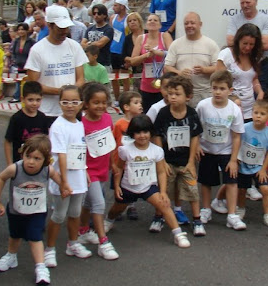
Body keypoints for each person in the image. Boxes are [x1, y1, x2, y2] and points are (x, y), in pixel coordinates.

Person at [0, 135, 70, 286]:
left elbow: (57, 177)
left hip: (37, 211)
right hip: (16, 210)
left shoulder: (47, 170)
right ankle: (11, 256)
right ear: (22, 154)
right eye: (28, 156)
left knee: (35, 237)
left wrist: (63, 187)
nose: (31, 161)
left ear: (46, 160)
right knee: (15, 235)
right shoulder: (15, 168)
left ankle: (40, 267)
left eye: (37, 158)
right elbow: (1, 178)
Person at [104, 115, 192, 248]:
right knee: (117, 208)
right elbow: (120, 168)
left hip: (148, 186)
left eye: (145, 132)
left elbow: (161, 172)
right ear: (132, 134)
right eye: (138, 132)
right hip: (128, 186)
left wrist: (163, 191)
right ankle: (108, 221)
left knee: (164, 205)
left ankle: (178, 234)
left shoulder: (156, 150)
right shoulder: (125, 150)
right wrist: (117, 186)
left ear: (151, 132)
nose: (142, 136)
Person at [44, 85, 91, 267]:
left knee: (75, 212)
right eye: (65, 102)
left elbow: (80, 150)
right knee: (59, 214)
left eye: (74, 102)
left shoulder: (79, 124)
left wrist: (85, 170)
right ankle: (49, 249)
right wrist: (63, 182)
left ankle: (73, 243)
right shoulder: (58, 126)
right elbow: (61, 155)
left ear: (81, 104)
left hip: (78, 176)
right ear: (59, 103)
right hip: (63, 178)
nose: (70, 106)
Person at [153, 76, 205, 236]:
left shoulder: (191, 114)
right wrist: (161, 161)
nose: (172, 97)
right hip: (167, 160)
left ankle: (197, 220)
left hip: (186, 161)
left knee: (192, 190)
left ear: (188, 96)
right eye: (170, 94)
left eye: (177, 94)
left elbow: (195, 136)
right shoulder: (163, 113)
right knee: (164, 190)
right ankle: (159, 217)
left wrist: (191, 162)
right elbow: (156, 135)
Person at [77, 83, 119, 260]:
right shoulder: (81, 124)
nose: (101, 106)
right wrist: (83, 170)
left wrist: (113, 164)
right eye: (96, 102)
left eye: (103, 102)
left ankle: (82, 231)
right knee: (99, 204)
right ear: (86, 104)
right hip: (88, 171)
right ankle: (104, 242)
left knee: (89, 203)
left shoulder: (107, 119)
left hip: (103, 168)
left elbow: (109, 143)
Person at [25, 4, 87, 119]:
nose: (65, 31)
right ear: (50, 25)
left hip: (73, 111)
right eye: (60, 28)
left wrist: (69, 95)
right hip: (48, 112)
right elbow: (34, 85)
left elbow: (81, 78)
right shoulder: (37, 50)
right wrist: (60, 92)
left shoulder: (74, 46)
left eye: (66, 28)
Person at [236, 100, 268, 228]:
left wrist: (263, 169)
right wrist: (236, 157)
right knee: (242, 189)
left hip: (258, 167)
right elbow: (237, 142)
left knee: (265, 189)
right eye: (256, 113)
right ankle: (241, 208)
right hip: (243, 165)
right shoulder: (245, 128)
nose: (258, 116)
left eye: (262, 114)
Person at [165, 12, 219, 108]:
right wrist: (179, 73)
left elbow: (219, 68)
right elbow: (167, 67)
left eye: (192, 23)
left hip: (204, 93)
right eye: (186, 23)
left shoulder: (211, 44)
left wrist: (204, 70)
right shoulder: (176, 44)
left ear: (200, 24)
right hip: (181, 94)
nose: (189, 26)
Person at [226, 0, 268, 91]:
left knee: (263, 96)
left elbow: (266, 44)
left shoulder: (266, 19)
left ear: (256, 2)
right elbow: (229, 41)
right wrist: (257, 41)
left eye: (248, 2)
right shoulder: (234, 19)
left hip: (261, 65)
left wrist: (241, 41)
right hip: (240, 65)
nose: (245, 5)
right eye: (242, 3)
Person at [216, 23, 264, 120]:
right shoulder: (226, 55)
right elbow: (219, 83)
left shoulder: (254, 56)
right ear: (238, 40)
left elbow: (254, 79)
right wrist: (233, 99)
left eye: (251, 44)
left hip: (250, 110)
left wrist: (260, 92)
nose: (248, 47)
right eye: (245, 43)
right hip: (230, 107)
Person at [129, 14, 173, 112]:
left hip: (164, 84)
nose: (152, 21)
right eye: (150, 20)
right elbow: (133, 61)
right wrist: (145, 56)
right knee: (147, 113)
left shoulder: (165, 36)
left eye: (155, 20)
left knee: (164, 113)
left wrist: (156, 52)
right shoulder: (141, 38)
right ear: (146, 24)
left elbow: (172, 55)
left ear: (160, 25)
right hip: (146, 84)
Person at [111, 90, 144, 221]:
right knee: (118, 184)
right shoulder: (119, 124)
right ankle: (118, 206)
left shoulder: (141, 122)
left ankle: (131, 205)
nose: (140, 105)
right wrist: (113, 162)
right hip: (120, 161)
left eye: (140, 102)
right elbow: (113, 142)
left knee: (132, 183)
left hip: (134, 161)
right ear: (126, 107)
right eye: (136, 102)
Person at [4, 81, 50, 166]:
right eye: (30, 100)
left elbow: (46, 141)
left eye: (38, 100)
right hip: (20, 163)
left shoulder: (43, 118)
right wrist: (9, 163)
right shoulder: (16, 118)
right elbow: (8, 141)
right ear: (22, 99)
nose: (34, 103)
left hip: (38, 164)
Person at [110, 0, 130, 102]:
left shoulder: (128, 19)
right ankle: (117, 99)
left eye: (115, 5)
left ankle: (125, 99)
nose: (113, 8)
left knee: (125, 76)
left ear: (122, 7)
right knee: (114, 76)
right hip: (113, 50)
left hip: (123, 51)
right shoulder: (113, 18)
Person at [9, 23, 35, 103]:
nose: (21, 31)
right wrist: (14, 61)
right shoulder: (16, 41)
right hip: (18, 65)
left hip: (28, 65)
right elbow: (13, 52)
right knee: (18, 81)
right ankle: (17, 96)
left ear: (27, 31)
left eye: (23, 29)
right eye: (19, 30)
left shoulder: (31, 42)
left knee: (28, 82)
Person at [82, 4, 114, 68]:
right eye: (94, 13)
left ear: (104, 15)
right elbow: (82, 44)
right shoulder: (90, 28)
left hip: (104, 63)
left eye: (99, 13)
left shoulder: (108, 29)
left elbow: (100, 44)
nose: (96, 15)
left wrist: (88, 43)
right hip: (89, 63)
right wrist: (93, 44)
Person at [122, 12, 144, 89]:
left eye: (134, 20)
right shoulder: (127, 38)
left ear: (139, 22)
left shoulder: (148, 34)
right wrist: (132, 60)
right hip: (136, 72)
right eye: (130, 21)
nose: (132, 22)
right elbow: (123, 55)